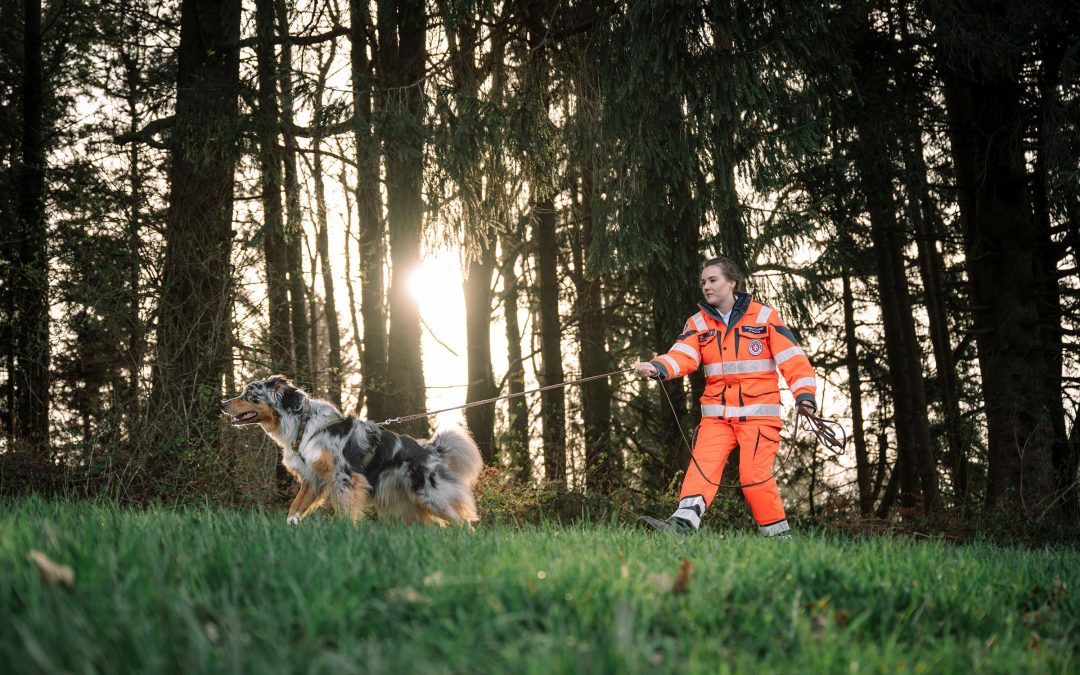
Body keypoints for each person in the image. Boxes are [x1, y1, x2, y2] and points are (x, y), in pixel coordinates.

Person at [633, 256, 818, 537]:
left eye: (713, 280)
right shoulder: (697, 323)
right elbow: (682, 355)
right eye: (703, 282)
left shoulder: (764, 316)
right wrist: (657, 366)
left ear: (732, 282)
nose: (706, 286)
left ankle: (780, 537)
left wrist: (805, 396)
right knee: (702, 469)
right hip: (717, 418)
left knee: (753, 476)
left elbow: (793, 359)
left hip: (758, 418)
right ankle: (681, 527)